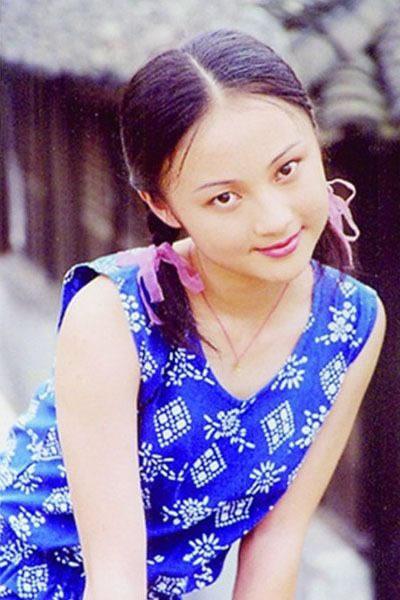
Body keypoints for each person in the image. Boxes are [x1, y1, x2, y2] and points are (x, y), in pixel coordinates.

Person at [0, 28, 386, 600]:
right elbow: (115, 579)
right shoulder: (112, 314)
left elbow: (277, 545)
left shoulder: (352, 323)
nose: (275, 219)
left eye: (287, 169)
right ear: (162, 205)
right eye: (224, 197)